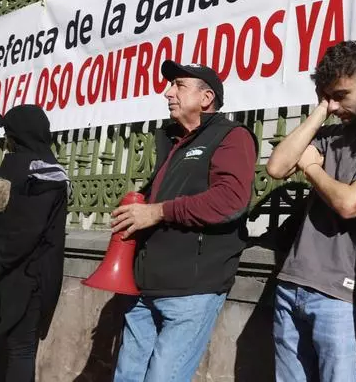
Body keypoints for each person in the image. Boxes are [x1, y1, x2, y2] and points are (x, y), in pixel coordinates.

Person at [266, 40, 356, 382]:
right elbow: (277, 167)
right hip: (293, 280)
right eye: (325, 95)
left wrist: (312, 170)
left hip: (343, 294)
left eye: (339, 95)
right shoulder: (330, 132)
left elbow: (350, 204)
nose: (333, 105)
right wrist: (320, 111)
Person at [111, 61, 258, 381]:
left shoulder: (231, 136)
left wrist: (157, 211)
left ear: (206, 98)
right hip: (143, 286)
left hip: (191, 289)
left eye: (178, 85)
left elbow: (230, 202)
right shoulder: (171, 140)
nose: (167, 93)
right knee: (126, 376)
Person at [0, 104, 70, 381]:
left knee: (2, 346)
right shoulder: (46, 170)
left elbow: (19, 226)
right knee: (19, 349)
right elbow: (24, 228)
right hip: (17, 274)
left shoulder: (18, 167)